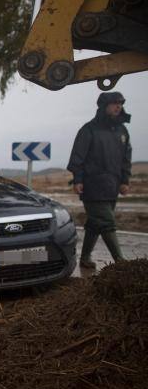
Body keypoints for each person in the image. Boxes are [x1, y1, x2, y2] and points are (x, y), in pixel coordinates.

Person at [67, 91, 132, 269]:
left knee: (96, 224)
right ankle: (121, 264)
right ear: (104, 106)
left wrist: (124, 180)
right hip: (92, 185)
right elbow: (77, 158)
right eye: (114, 103)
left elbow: (126, 158)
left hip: (112, 186)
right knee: (107, 223)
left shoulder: (122, 131)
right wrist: (78, 179)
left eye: (121, 103)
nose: (118, 106)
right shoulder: (89, 130)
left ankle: (85, 258)